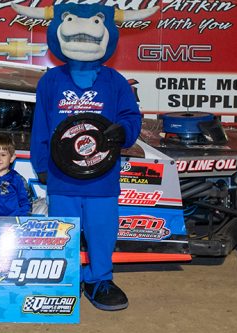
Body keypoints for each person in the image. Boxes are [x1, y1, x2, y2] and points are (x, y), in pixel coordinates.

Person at [12, 3, 156, 311]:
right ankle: (66, 279)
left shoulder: (115, 81)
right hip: (62, 175)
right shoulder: (50, 81)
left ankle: (99, 279)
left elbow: (131, 116)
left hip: (102, 176)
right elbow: (41, 125)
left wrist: (124, 132)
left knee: (102, 230)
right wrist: (41, 165)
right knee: (63, 230)